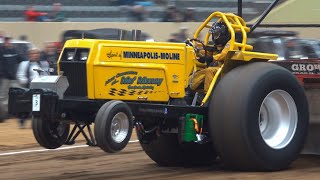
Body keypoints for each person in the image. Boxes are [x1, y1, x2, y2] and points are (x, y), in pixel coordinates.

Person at [190, 22, 231, 94]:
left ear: (222, 34)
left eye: (216, 35)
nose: (215, 37)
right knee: (196, 70)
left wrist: (212, 58)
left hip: (227, 70)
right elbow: (207, 52)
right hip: (218, 69)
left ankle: (208, 96)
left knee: (209, 71)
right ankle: (189, 90)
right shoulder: (218, 46)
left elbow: (224, 54)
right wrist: (195, 50)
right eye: (214, 35)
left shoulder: (231, 43)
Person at [16, 48, 49, 128]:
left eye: (36, 53)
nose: (35, 55)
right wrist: (25, 82)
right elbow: (20, 75)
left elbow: (47, 74)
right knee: (25, 105)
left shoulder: (44, 63)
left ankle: (36, 122)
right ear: (29, 55)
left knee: (38, 105)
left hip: (40, 87)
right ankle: (22, 121)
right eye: (33, 53)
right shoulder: (24, 64)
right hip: (28, 87)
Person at [0, 36, 23, 120]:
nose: (8, 43)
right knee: (3, 97)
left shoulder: (14, 51)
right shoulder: (1, 51)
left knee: (18, 94)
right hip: (5, 78)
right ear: (4, 42)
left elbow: (21, 59)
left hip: (14, 78)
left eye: (9, 41)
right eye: (6, 41)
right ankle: (4, 114)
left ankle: (17, 113)